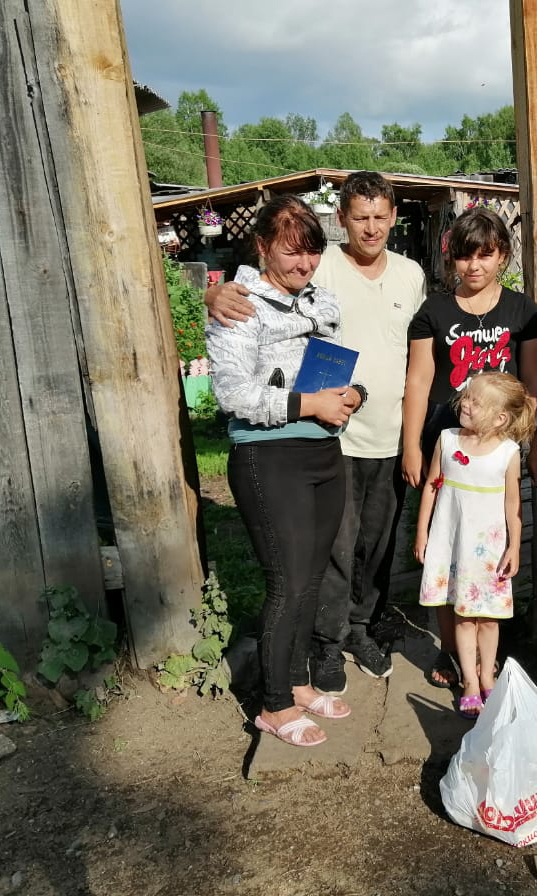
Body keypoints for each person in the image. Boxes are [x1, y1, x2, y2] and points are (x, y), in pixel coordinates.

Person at [207, 173, 427, 694]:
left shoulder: (410, 274)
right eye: (359, 217)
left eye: (379, 216)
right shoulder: (319, 265)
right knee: (327, 553)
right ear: (342, 221)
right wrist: (214, 295)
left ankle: (359, 629)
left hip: (383, 431)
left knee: (373, 546)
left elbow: (414, 354)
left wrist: (389, 419)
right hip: (322, 440)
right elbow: (253, 295)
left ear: (393, 216)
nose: (370, 227)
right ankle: (324, 648)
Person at [205, 195, 361, 748]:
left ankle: (295, 683)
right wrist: (307, 405)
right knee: (287, 582)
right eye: (293, 254)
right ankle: (271, 706)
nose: (305, 266)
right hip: (270, 456)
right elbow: (232, 393)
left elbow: (339, 364)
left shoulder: (320, 299)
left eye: (313, 254)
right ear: (264, 246)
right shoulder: (239, 304)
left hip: (323, 452)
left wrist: (349, 395)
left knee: (311, 581)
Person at [402, 207, 537, 689]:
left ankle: (490, 652)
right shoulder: (433, 312)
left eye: (486, 254)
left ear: (503, 254)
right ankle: (451, 651)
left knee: (491, 553)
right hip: (447, 446)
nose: (475, 266)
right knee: (445, 549)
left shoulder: (522, 311)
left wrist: (524, 445)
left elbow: (534, 386)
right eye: (465, 256)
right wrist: (411, 449)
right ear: (453, 260)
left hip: (497, 453)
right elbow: (419, 383)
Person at [414, 372, 536, 718]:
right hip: (452, 544)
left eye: (475, 401)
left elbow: (513, 507)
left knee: (489, 619)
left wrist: (513, 548)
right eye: (466, 397)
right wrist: (422, 532)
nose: (465, 404)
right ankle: (469, 681)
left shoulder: (509, 453)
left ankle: (487, 678)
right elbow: (432, 487)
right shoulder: (447, 439)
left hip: (489, 553)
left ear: (500, 417)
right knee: (463, 617)